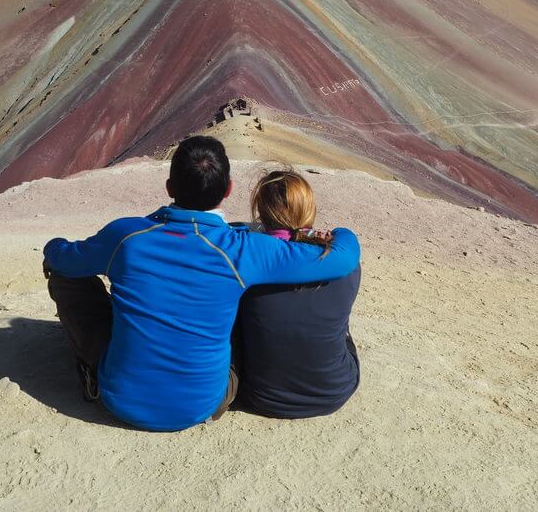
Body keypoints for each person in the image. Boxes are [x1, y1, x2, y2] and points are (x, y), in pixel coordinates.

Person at [42, 137, 360, 431]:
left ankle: (96, 369)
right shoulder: (243, 249)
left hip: (120, 400)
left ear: (169, 187)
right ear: (228, 190)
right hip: (204, 403)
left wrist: (53, 246)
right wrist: (339, 233)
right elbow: (343, 257)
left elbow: (64, 259)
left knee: (66, 276)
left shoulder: (126, 236)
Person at [231, 169, 361, 418]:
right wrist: (322, 236)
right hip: (334, 391)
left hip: (263, 397)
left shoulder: (247, 265)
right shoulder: (348, 266)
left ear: (261, 211)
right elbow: (344, 237)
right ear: (309, 210)